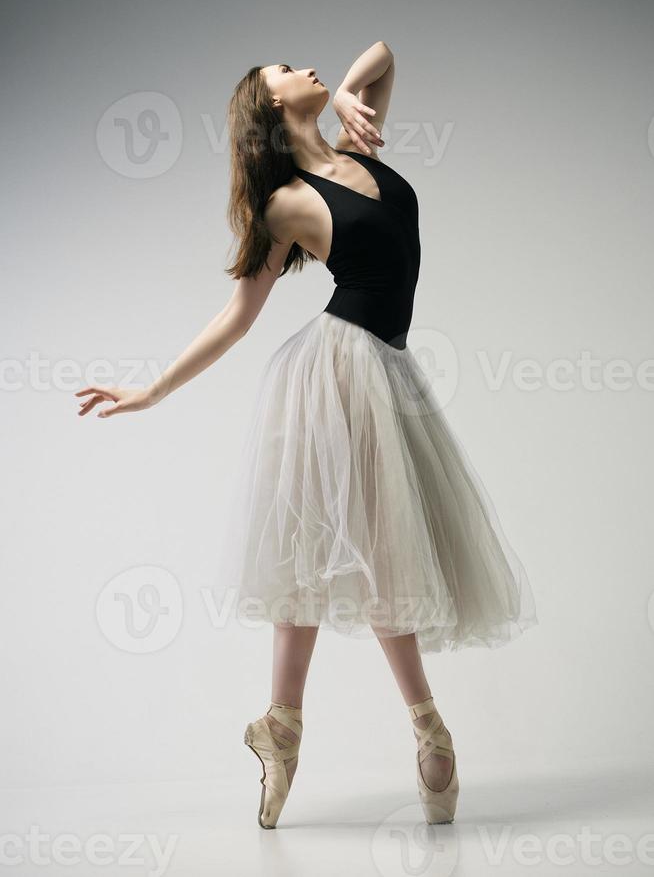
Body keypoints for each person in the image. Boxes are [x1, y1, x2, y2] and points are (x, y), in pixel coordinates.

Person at [75, 41, 538, 830]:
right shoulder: (285, 200)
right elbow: (238, 316)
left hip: (384, 369)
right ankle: (411, 728)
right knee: (337, 547)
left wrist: (356, 93)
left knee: (369, 545)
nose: (305, 68)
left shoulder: (360, 140)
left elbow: (384, 54)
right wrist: (150, 389)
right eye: (284, 71)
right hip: (337, 372)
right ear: (272, 110)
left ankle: (290, 730)